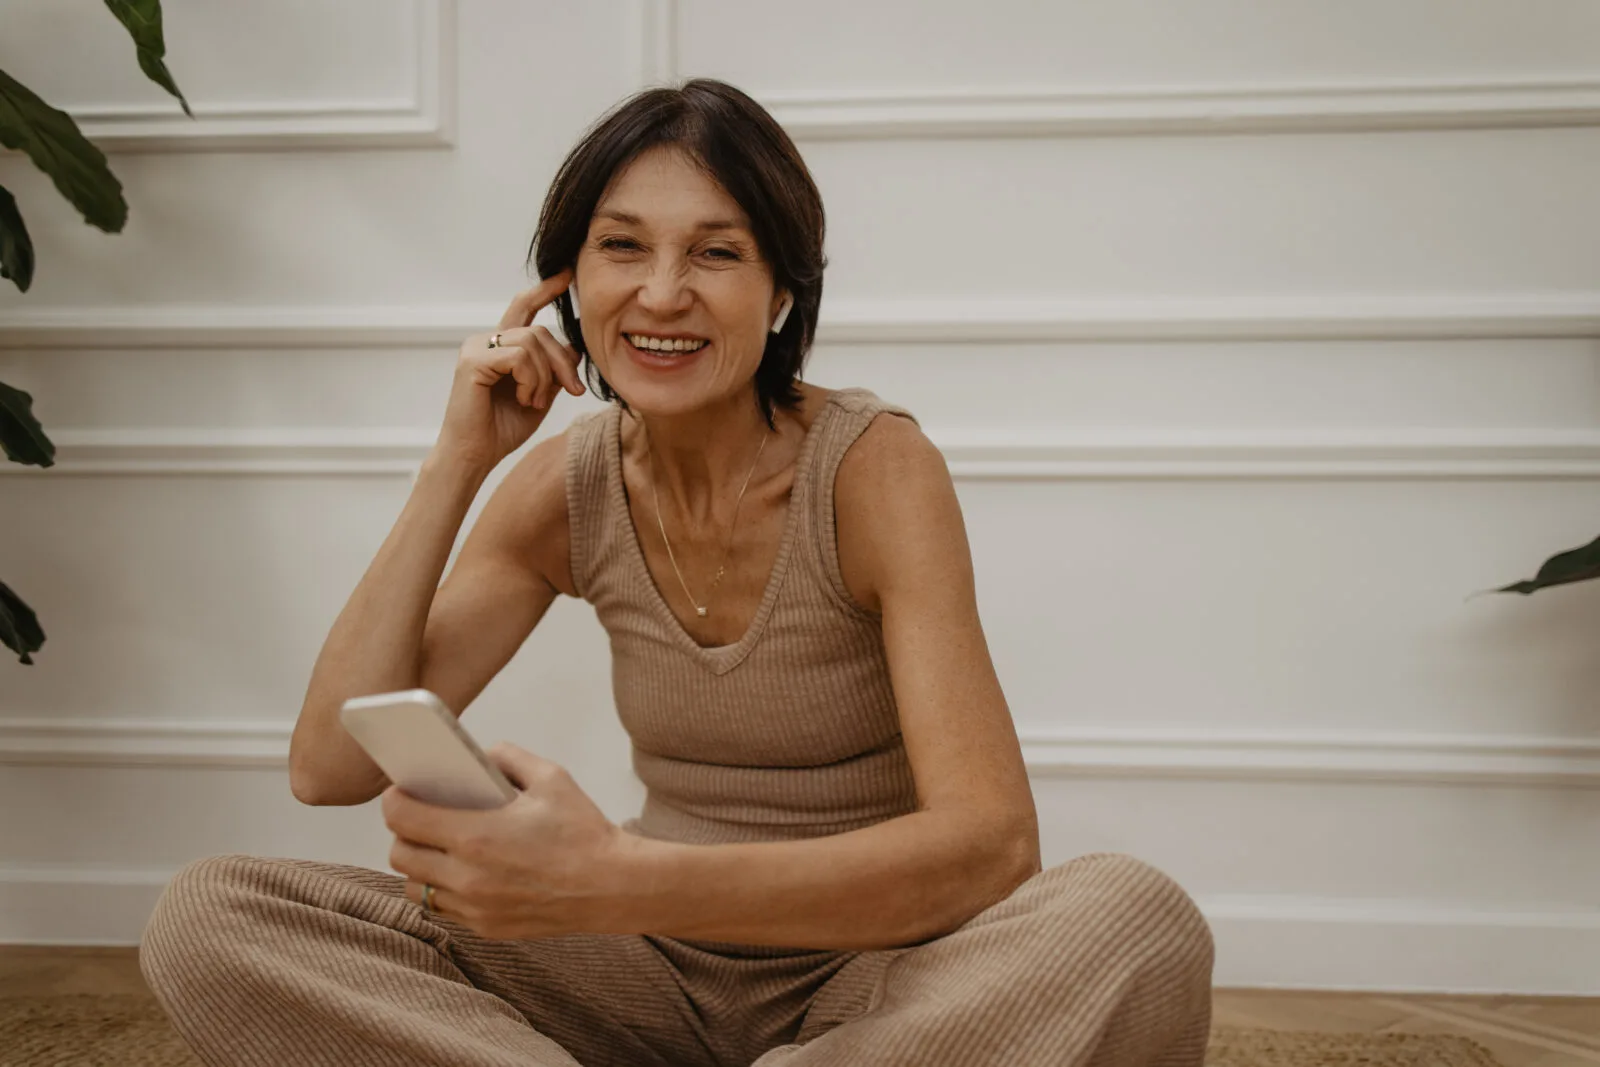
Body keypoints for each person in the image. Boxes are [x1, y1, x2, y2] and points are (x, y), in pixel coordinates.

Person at [139, 78, 1213, 1067]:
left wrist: (614, 873)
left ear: (783, 292)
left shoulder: (874, 470)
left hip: (878, 976)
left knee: (1131, 916)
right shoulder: (566, 487)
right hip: (636, 968)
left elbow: (990, 850)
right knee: (212, 913)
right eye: (621, 248)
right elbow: (330, 762)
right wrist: (457, 461)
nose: (661, 293)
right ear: (567, 284)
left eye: (714, 253)